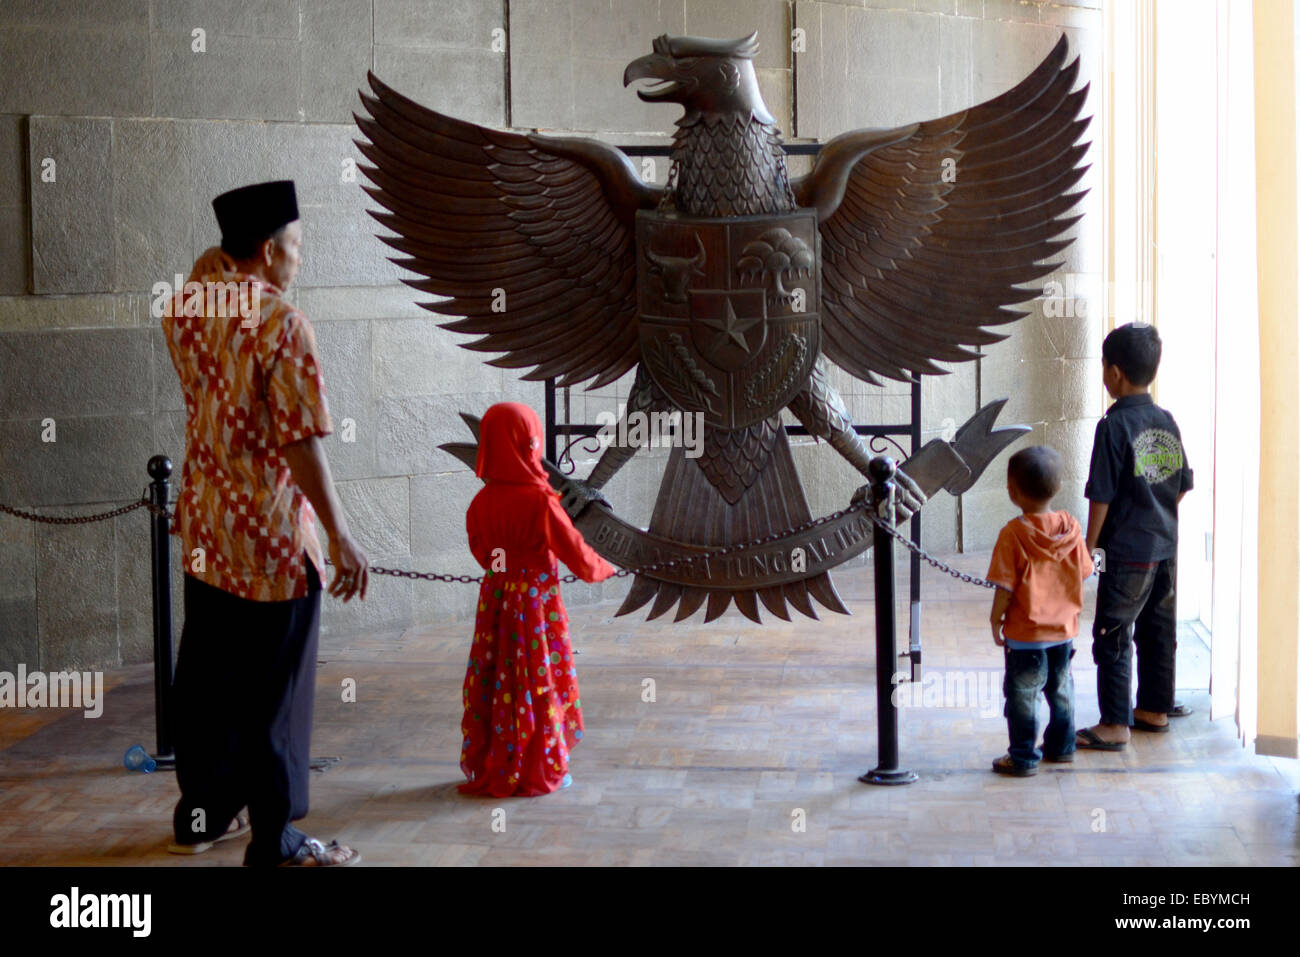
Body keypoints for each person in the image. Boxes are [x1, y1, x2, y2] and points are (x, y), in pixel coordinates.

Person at [162, 180, 369, 866]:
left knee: (209, 683)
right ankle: (275, 840)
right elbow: (300, 440)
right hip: (271, 539)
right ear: (266, 248)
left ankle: (203, 811)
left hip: (206, 528)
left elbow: (202, 267)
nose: (299, 259)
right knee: (273, 696)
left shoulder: (188, 306)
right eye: (295, 246)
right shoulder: (283, 323)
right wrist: (339, 536)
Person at [459, 402, 616, 797]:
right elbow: (576, 554)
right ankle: (537, 766)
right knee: (536, 679)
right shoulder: (542, 502)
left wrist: (506, 569)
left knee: (499, 680)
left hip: (495, 601)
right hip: (536, 607)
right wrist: (605, 569)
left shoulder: (481, 503)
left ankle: (499, 761)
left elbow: (482, 553)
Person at [1076, 322, 1194, 751]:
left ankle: (1113, 724)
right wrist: (1156, 515)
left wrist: (1089, 550)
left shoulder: (1112, 427)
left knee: (1112, 630)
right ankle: (1154, 710)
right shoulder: (1166, 421)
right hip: (1165, 546)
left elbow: (1101, 496)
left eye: (1103, 367)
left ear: (1115, 373)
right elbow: (1182, 483)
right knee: (1158, 629)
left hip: (1124, 551)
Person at [986, 446, 1094, 776]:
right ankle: (1062, 747)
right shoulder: (1072, 529)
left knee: (1022, 698)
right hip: (1063, 631)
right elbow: (1086, 570)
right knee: (1061, 690)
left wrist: (995, 619)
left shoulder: (1013, 533)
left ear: (1012, 492)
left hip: (1025, 636)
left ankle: (1022, 756)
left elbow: (1005, 586)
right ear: (1059, 487)